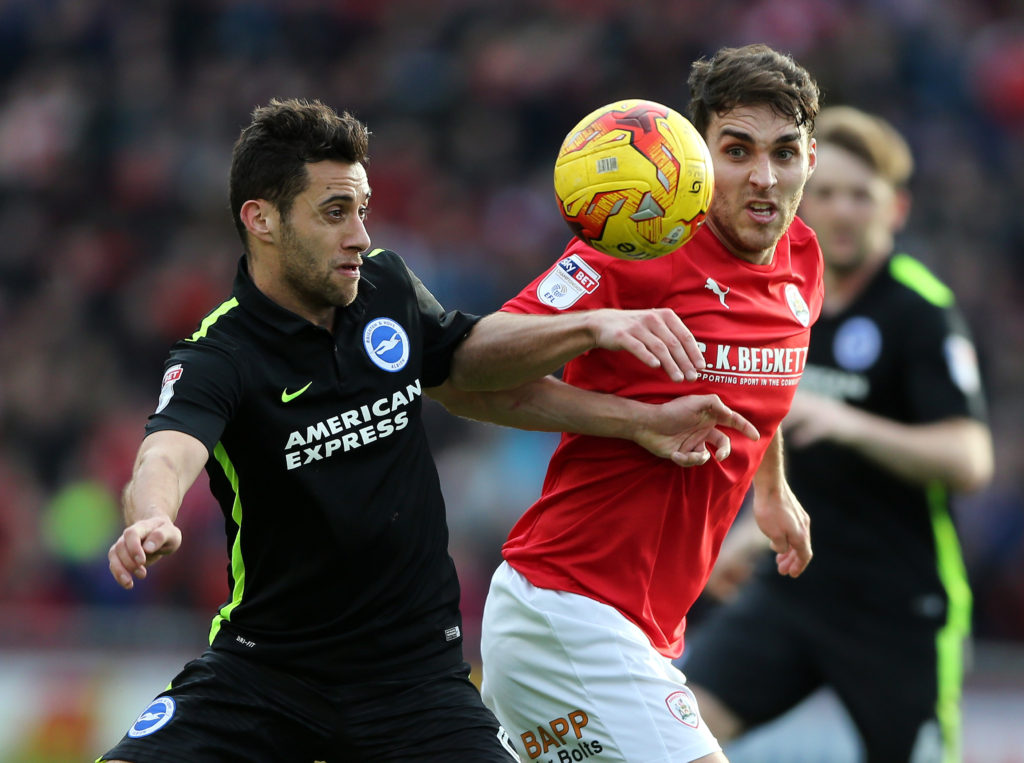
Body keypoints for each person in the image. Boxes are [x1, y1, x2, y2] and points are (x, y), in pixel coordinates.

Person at [97, 97, 762, 763]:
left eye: (362, 208)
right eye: (335, 213)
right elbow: (167, 449)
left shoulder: (384, 286)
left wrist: (621, 382)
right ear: (261, 219)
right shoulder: (221, 353)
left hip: (417, 686)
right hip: (264, 674)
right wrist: (151, 517)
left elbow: (473, 369)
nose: (359, 233)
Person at [479, 43, 822, 763]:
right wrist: (599, 335)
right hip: (568, 606)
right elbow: (465, 368)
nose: (764, 177)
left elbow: (762, 378)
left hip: (644, 628)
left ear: (808, 160)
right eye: (737, 151)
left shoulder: (802, 260)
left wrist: (772, 486)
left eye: (784, 153)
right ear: (697, 158)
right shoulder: (636, 249)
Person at [680, 106, 994, 761]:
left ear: (897, 209)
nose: (842, 211)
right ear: (801, 196)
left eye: (862, 195)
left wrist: (851, 423)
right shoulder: (780, 296)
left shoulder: (919, 310)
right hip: (794, 590)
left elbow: (970, 458)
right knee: (676, 731)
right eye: (827, 193)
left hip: (898, 606)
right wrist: (748, 529)